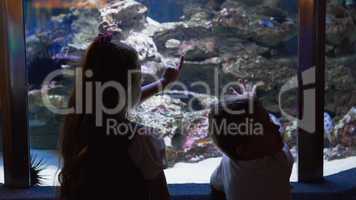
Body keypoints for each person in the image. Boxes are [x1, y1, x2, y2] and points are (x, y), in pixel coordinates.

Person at [59, 32, 184, 200]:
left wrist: (163, 82)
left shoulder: (77, 120)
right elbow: (160, 194)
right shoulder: (142, 139)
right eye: (139, 79)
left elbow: (115, 101)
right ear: (127, 88)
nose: (141, 83)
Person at [209, 82, 294, 200]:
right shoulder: (281, 160)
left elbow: (215, 183)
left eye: (269, 121)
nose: (276, 127)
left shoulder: (229, 161)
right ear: (244, 149)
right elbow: (282, 146)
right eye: (266, 127)